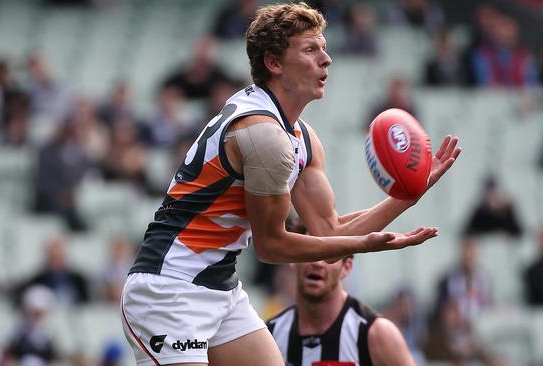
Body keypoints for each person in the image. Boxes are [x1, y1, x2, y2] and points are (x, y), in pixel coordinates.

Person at [120, 3, 461, 366]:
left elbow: (327, 236)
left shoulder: (301, 138)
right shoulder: (264, 136)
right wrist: (364, 244)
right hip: (168, 290)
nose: (327, 59)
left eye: (324, 48)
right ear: (274, 63)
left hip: (219, 289)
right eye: (311, 49)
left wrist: (408, 195)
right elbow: (271, 245)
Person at [267, 217, 416, 366]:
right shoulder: (270, 335)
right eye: (310, 253)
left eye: (329, 255)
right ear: (292, 260)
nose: (317, 263)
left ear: (347, 267)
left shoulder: (376, 334)